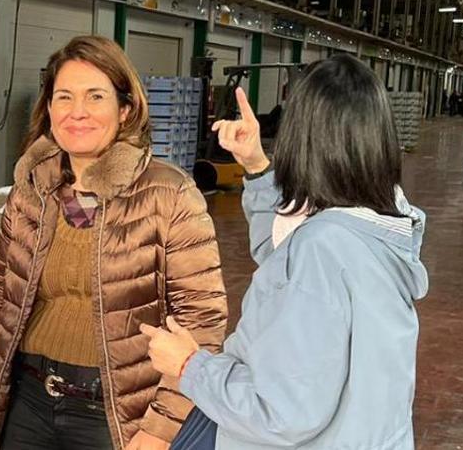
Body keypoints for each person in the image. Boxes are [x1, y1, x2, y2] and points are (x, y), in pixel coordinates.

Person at [142, 54, 428, 450]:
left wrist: (190, 367)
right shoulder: (382, 222)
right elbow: (286, 250)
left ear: (303, 138)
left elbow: (283, 413)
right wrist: (257, 166)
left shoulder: (322, 249)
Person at [0, 35, 227, 450]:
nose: (77, 112)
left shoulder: (169, 194)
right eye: (64, 97)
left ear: (125, 109)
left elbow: (202, 325)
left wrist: (160, 429)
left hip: (116, 414)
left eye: (95, 96)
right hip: (27, 402)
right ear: (48, 109)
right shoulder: (31, 190)